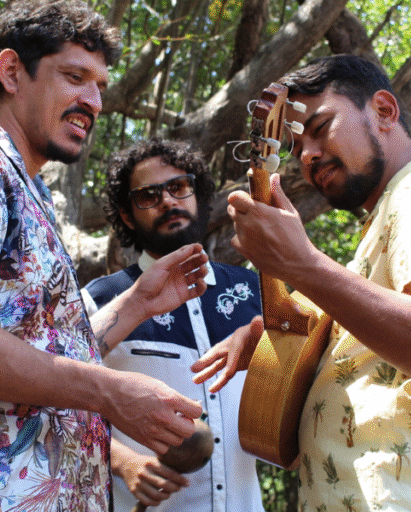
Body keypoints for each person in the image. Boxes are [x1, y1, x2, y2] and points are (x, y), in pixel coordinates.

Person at [0, 2, 207, 511]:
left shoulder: (29, 192)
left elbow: (34, 354)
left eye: (100, 86)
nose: (93, 101)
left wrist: (136, 304)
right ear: (11, 71)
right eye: (75, 77)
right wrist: (107, 390)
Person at [196, 55, 411, 511]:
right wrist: (274, 342)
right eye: (297, 147)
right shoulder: (384, 223)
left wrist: (303, 264)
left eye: (321, 127)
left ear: (384, 111)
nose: (307, 155)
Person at [81, 138, 266, 511]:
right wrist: (121, 461)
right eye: (148, 196)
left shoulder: (253, 292)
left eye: (179, 187)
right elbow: (54, 399)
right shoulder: (99, 301)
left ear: (197, 196)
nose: (167, 201)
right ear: (127, 216)